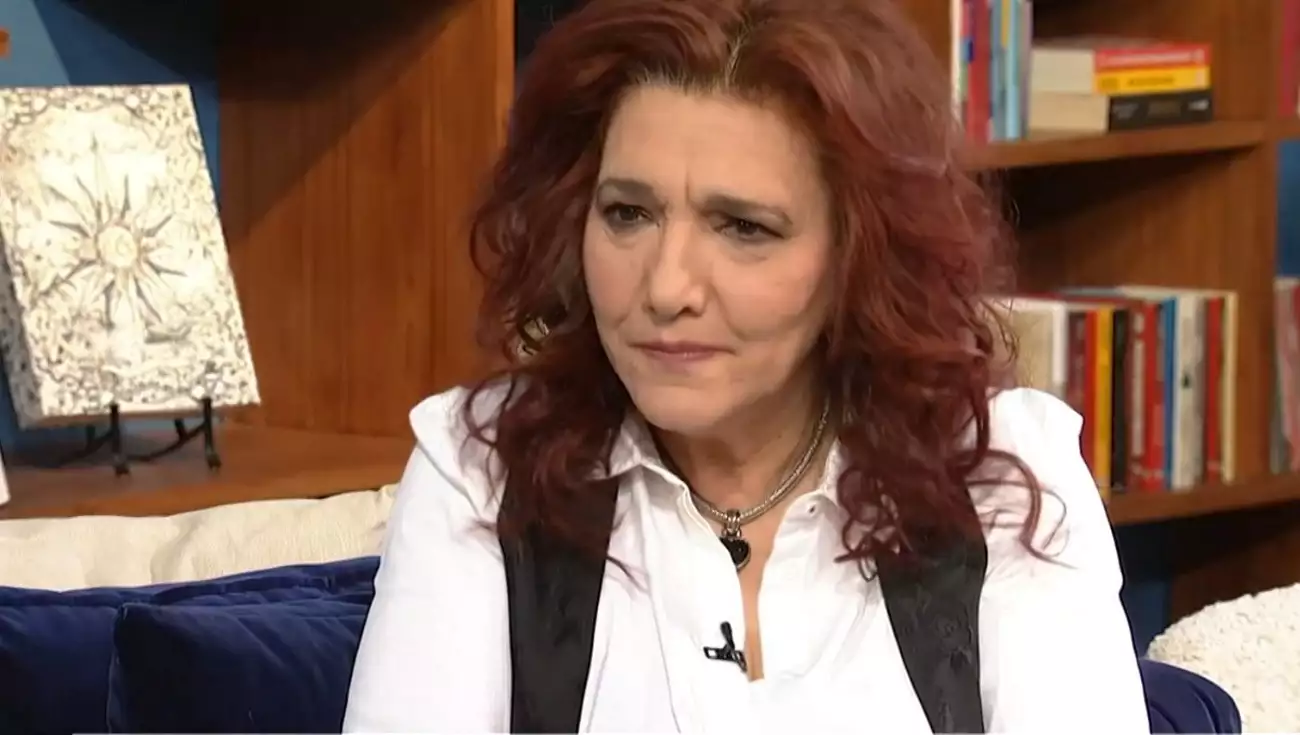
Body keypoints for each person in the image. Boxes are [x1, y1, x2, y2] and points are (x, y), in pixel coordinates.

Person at [341, 0, 1149, 731]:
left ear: (858, 256)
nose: (666, 287)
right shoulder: (481, 468)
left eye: (743, 228)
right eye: (628, 213)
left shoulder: (1002, 475)